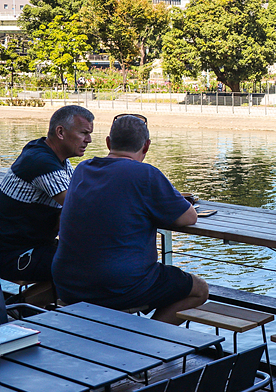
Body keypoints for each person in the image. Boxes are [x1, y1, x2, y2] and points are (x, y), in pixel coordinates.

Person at [52, 114, 208, 324]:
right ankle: (149, 341)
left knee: (164, 281)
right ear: (146, 146)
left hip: (67, 284)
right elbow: (189, 218)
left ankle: (130, 337)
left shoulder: (82, 169)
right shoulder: (146, 174)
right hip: (119, 286)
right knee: (199, 289)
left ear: (108, 143)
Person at [0, 105, 94, 283]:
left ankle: (30, 306)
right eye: (83, 133)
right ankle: (23, 305)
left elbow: (79, 198)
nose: (88, 140)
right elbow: (80, 208)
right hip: (13, 255)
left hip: (29, 247)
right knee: (90, 264)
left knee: (88, 256)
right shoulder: (41, 162)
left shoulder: (49, 154)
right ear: (60, 132)